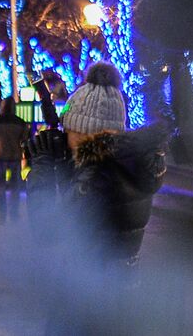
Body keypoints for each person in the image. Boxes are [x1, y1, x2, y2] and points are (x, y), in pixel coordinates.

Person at [25, 62, 169, 266]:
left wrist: (42, 166)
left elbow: (46, 230)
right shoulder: (126, 161)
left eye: (70, 129)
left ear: (85, 132)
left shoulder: (97, 175)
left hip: (91, 289)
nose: (65, 137)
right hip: (119, 282)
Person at [0, 97, 29, 222]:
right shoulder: (20, 122)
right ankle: (14, 214)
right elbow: (25, 140)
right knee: (15, 187)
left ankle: (1, 215)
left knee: (0, 186)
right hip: (15, 156)